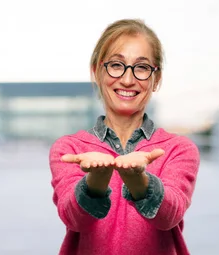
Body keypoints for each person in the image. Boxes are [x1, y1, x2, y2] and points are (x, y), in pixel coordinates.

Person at [49, 19, 200, 255]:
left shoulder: (178, 149)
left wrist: (138, 179)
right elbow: (73, 219)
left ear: (156, 79)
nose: (128, 80)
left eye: (141, 67)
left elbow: (169, 216)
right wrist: (96, 179)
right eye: (116, 65)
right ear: (96, 72)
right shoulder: (69, 149)